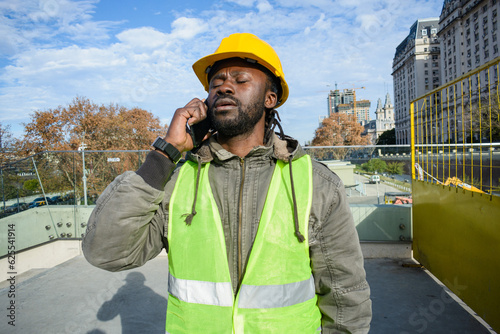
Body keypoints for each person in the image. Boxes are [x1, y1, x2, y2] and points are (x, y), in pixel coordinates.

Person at [83, 33, 371, 333]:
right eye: (216, 82)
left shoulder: (316, 183)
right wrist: (164, 155)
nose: (225, 87)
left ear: (269, 98)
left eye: (241, 79)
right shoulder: (177, 182)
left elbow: (345, 294)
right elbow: (105, 252)